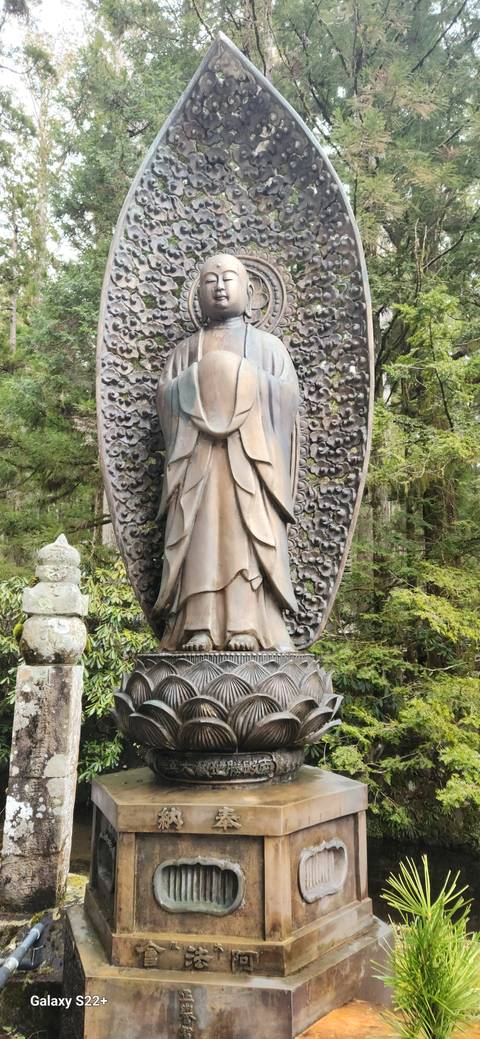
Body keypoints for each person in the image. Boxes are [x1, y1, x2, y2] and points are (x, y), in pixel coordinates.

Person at [153, 253, 299, 652]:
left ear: (249, 292)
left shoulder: (269, 348)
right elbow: (164, 399)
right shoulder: (187, 350)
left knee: (244, 536)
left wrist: (243, 377)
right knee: (200, 535)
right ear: (198, 293)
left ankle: (246, 626)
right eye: (210, 280)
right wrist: (199, 379)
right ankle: (197, 625)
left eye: (228, 278)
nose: (219, 286)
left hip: (250, 464)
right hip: (198, 464)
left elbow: (287, 399)